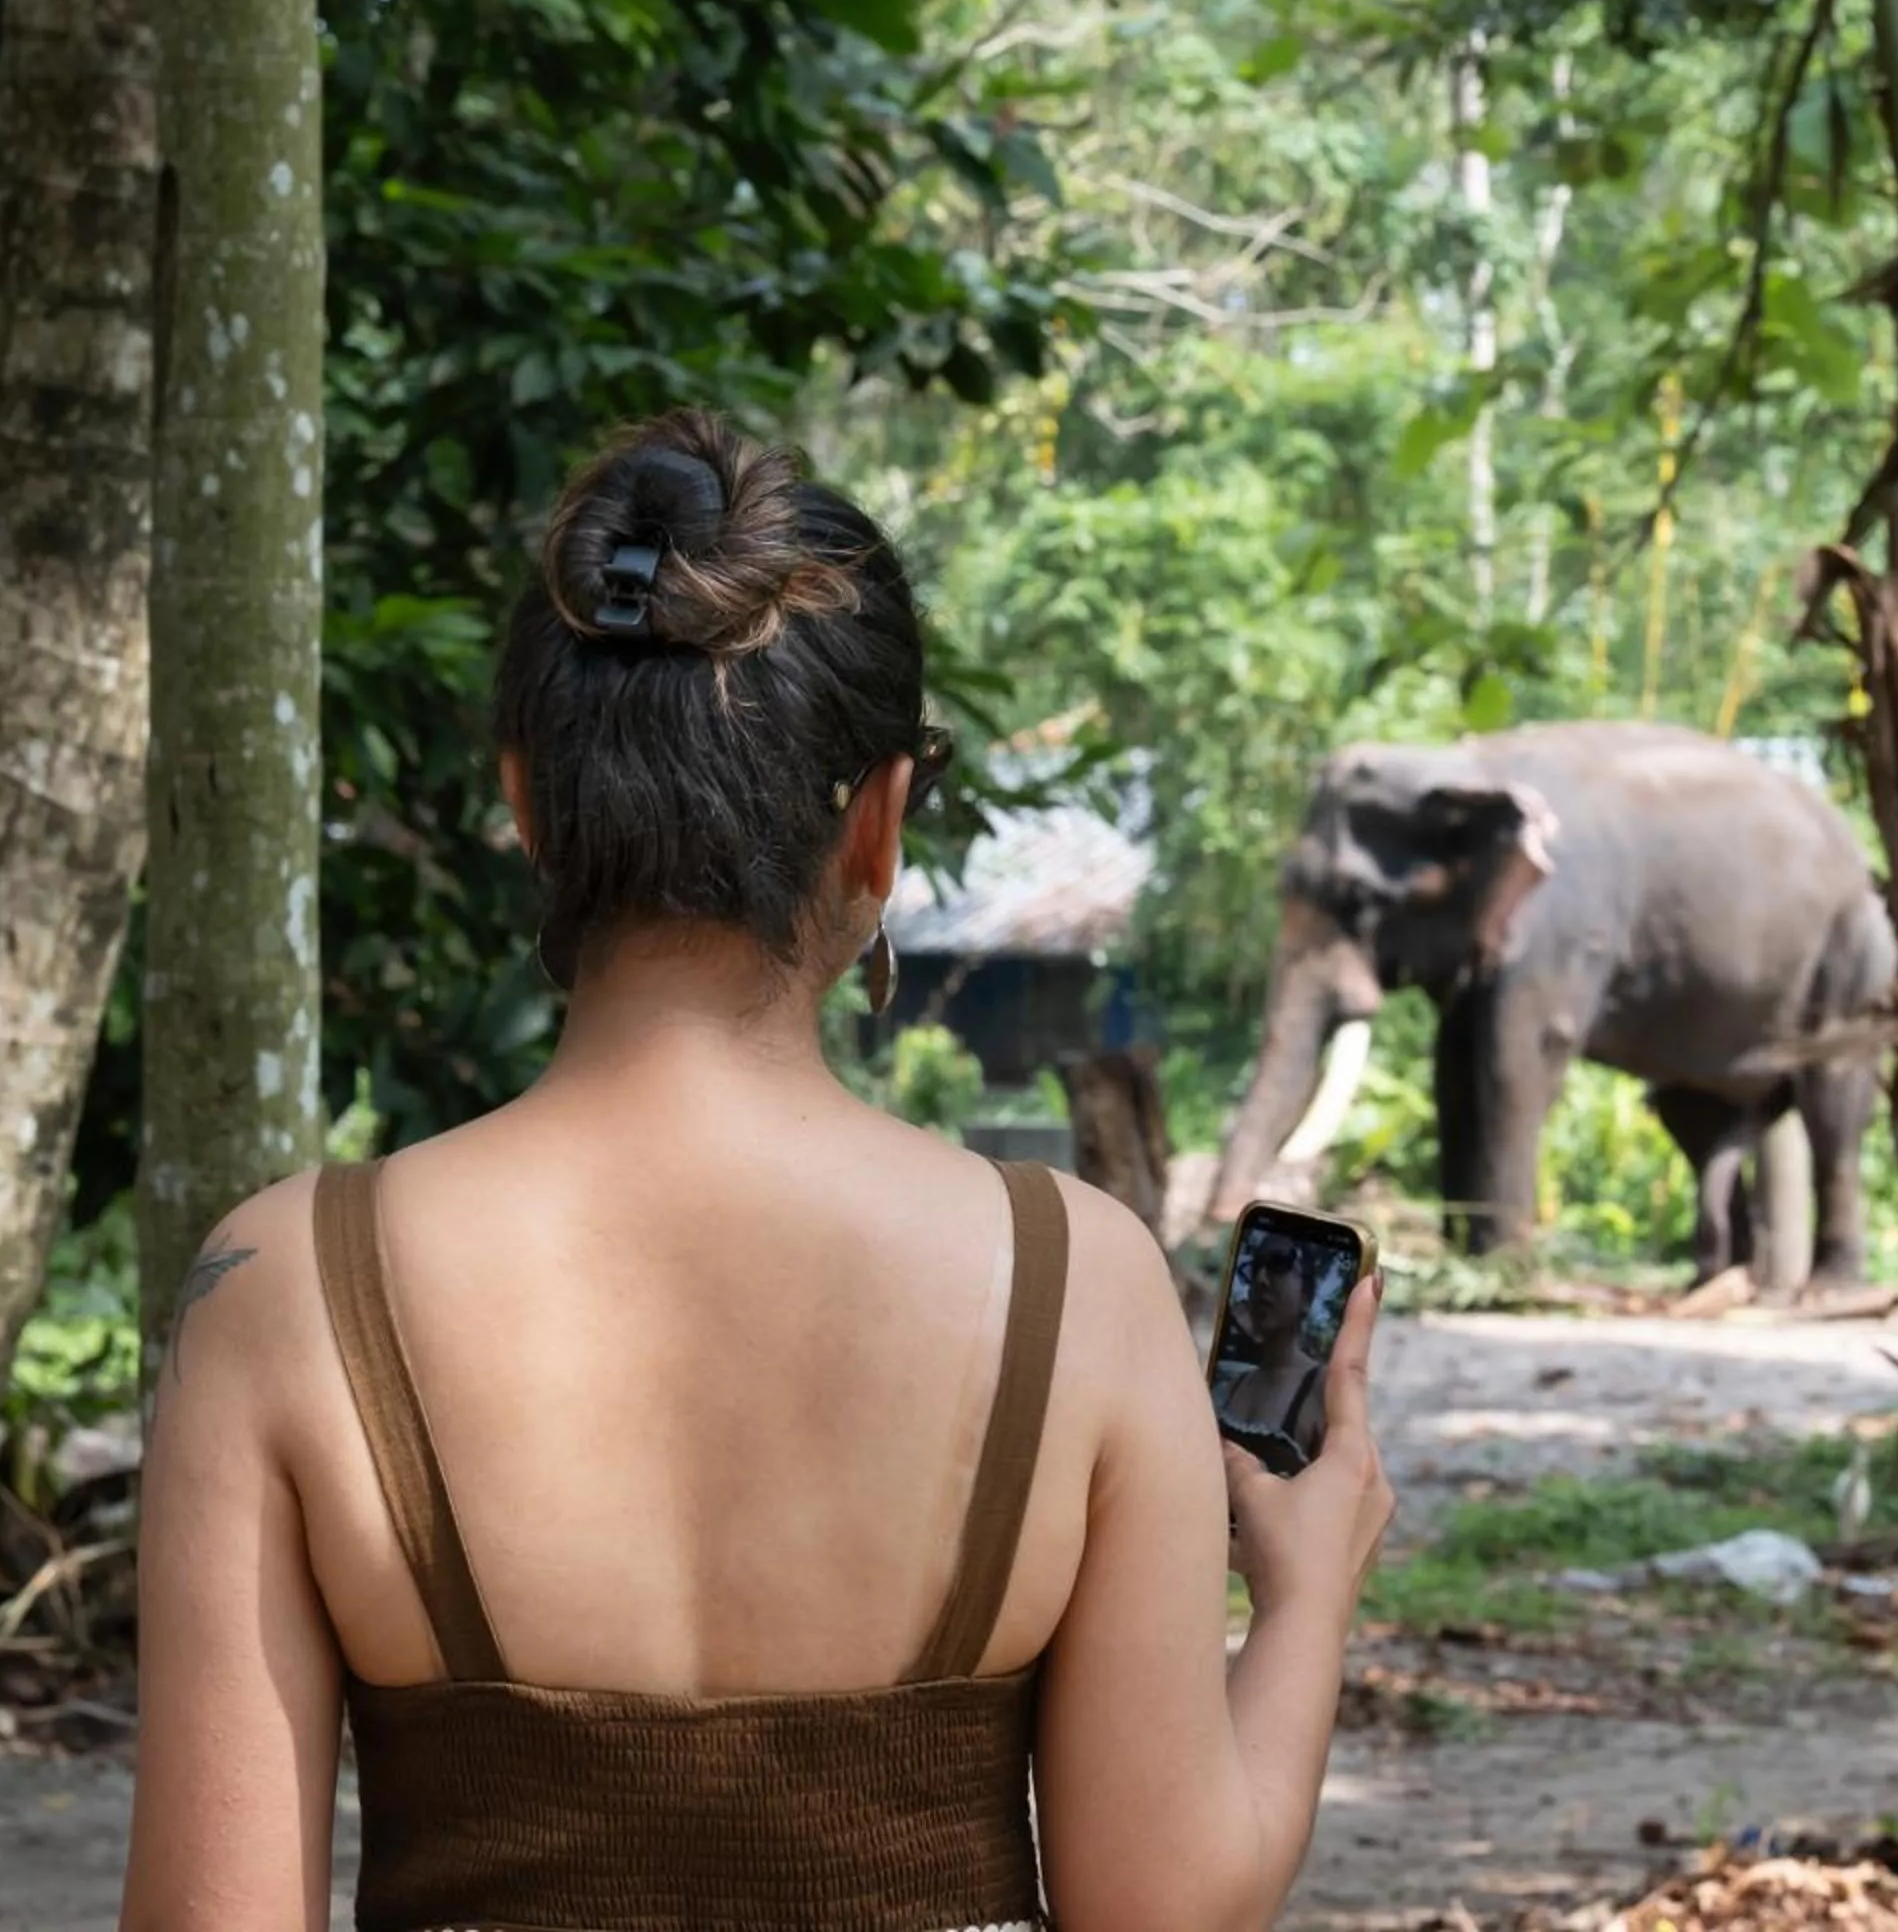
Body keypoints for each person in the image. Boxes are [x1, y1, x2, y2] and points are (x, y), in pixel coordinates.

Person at [119, 411, 1395, 1932]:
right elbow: (1167, 1906)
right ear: (879, 822)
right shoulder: (1076, 1279)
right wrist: (1306, 1594)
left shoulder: (283, 1290)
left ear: (527, 804)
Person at [1210, 1240, 1332, 1469]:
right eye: (1255, 1268)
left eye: (1278, 1264)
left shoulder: (1324, 1389)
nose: (1261, 1279)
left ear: (1306, 1298)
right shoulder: (1231, 1386)